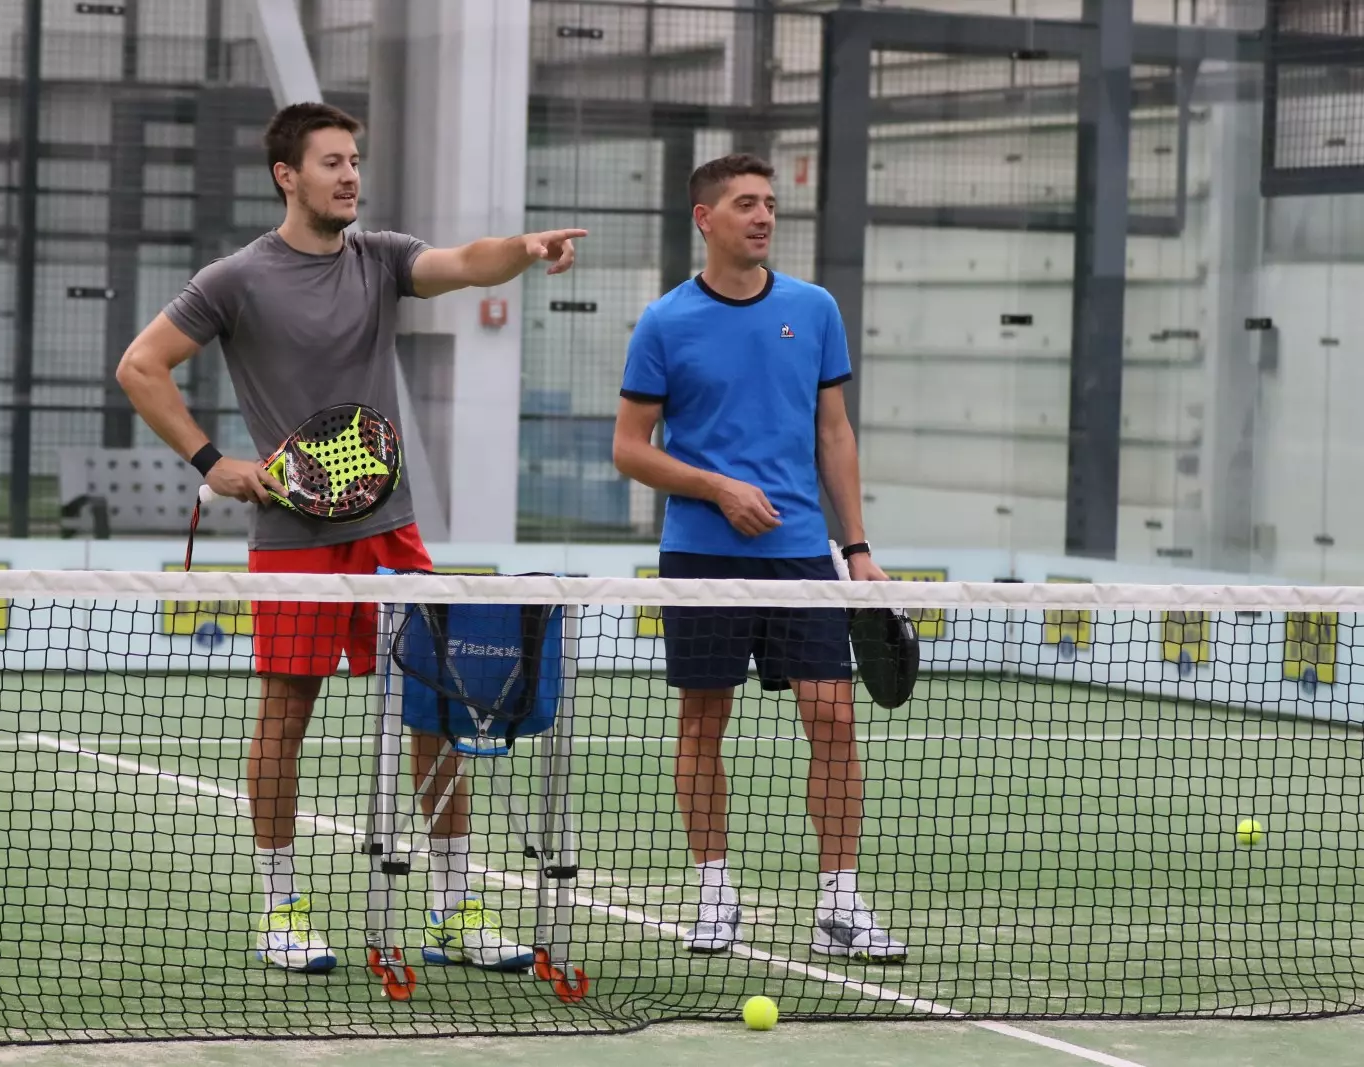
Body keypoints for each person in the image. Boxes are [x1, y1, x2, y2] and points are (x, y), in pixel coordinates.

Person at [116, 101, 586, 975]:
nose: (350, 176)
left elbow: (458, 264)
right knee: (285, 715)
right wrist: (211, 459)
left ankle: (451, 909)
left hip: (391, 532)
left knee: (437, 711)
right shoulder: (235, 279)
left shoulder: (381, 258)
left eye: (355, 161)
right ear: (286, 176)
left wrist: (520, 251)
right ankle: (279, 908)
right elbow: (140, 366)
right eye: (331, 162)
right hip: (292, 539)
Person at [611, 153, 906, 964]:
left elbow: (833, 432)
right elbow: (630, 449)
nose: (764, 216)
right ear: (705, 218)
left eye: (770, 203)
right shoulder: (664, 322)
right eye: (745, 203)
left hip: (803, 555)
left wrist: (858, 547)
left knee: (834, 717)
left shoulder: (813, 310)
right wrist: (716, 488)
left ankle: (841, 904)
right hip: (702, 556)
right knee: (704, 722)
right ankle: (714, 895)